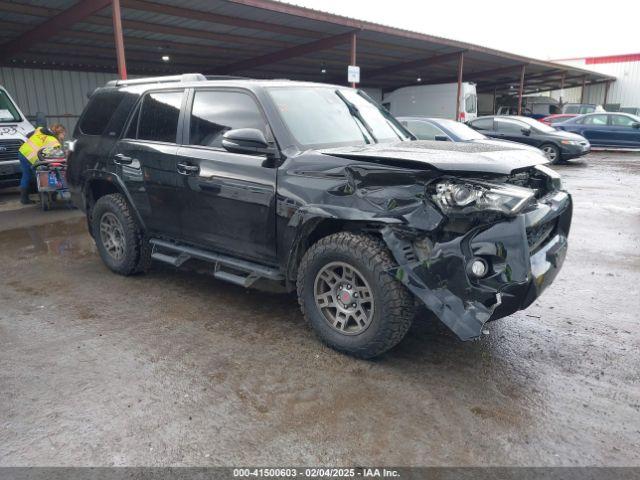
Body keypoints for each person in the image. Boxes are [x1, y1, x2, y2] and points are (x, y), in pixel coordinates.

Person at [18, 124, 66, 205]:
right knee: (41, 175)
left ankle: (24, 199)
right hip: (33, 156)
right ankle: (47, 197)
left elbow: (27, 135)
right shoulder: (54, 142)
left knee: (26, 175)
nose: (64, 136)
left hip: (23, 152)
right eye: (64, 134)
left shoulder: (40, 130)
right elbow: (54, 158)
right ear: (60, 133)